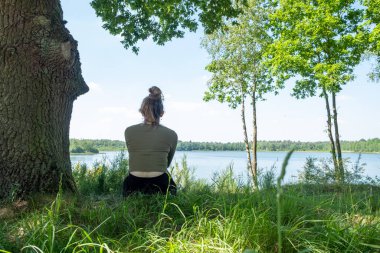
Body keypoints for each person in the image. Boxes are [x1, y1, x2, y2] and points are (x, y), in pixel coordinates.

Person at [123, 86, 178, 196]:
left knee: (127, 181)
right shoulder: (172, 134)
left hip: (133, 184)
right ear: (162, 113)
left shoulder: (128, 131)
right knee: (172, 186)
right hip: (160, 183)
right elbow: (167, 163)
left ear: (142, 111)